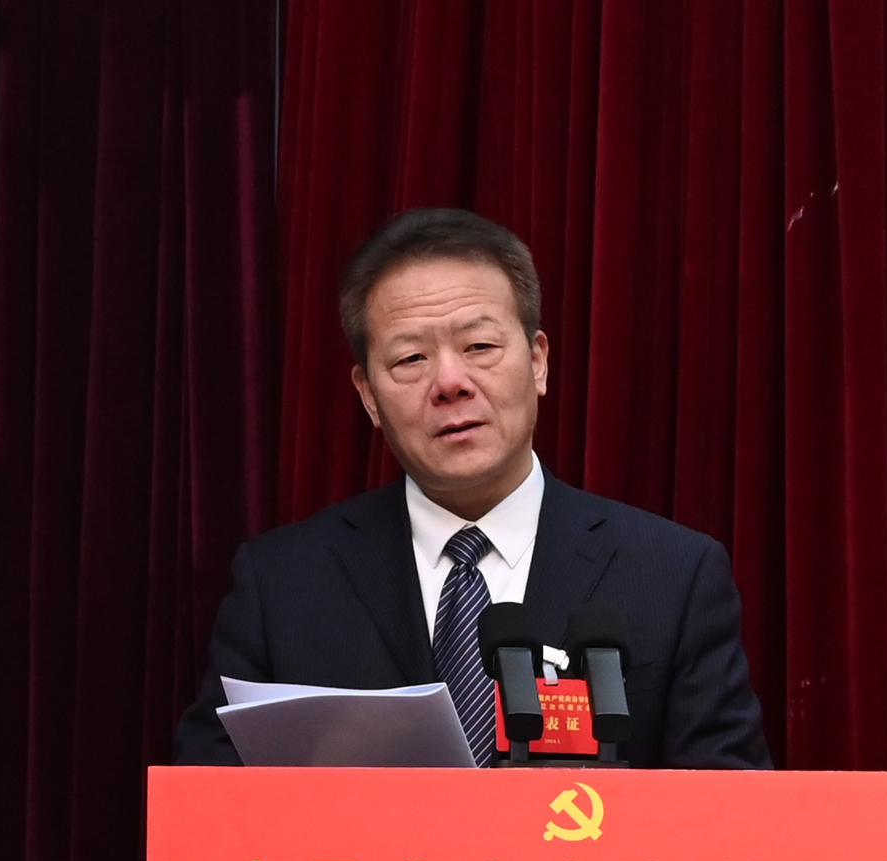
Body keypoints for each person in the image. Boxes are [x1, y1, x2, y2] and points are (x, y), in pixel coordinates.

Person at [173, 208, 770, 769]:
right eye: (411, 358)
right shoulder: (283, 583)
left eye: (480, 346)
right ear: (368, 396)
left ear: (537, 362)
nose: (450, 382)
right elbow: (206, 806)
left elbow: (730, 811)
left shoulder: (672, 574)